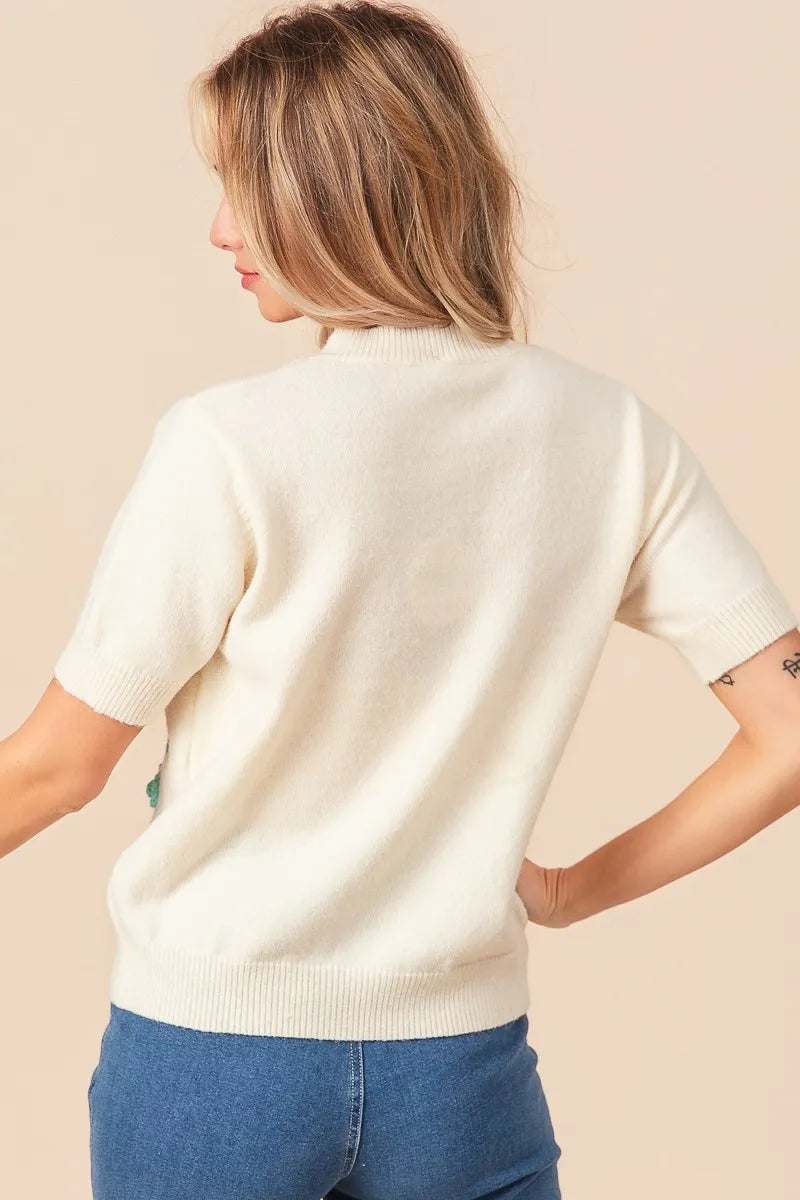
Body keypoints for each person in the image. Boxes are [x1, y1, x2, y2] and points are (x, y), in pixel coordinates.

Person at [4, 3, 799, 1197]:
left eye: (243, 189)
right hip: (461, 1075)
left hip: (214, 1058)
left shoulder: (230, 444)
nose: (220, 230)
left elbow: (56, 770)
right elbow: (787, 729)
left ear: (334, 196)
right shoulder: (609, 438)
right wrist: (566, 892)